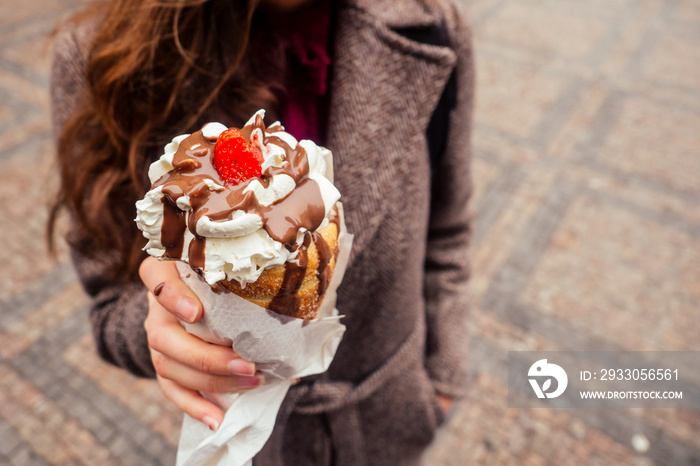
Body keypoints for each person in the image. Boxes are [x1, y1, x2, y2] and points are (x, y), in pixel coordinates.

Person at [49, 0, 474, 463]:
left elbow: (448, 232)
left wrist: (442, 380)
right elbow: (111, 302)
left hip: (389, 422)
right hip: (237, 435)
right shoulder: (98, 59)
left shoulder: (431, 28)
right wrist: (167, 326)